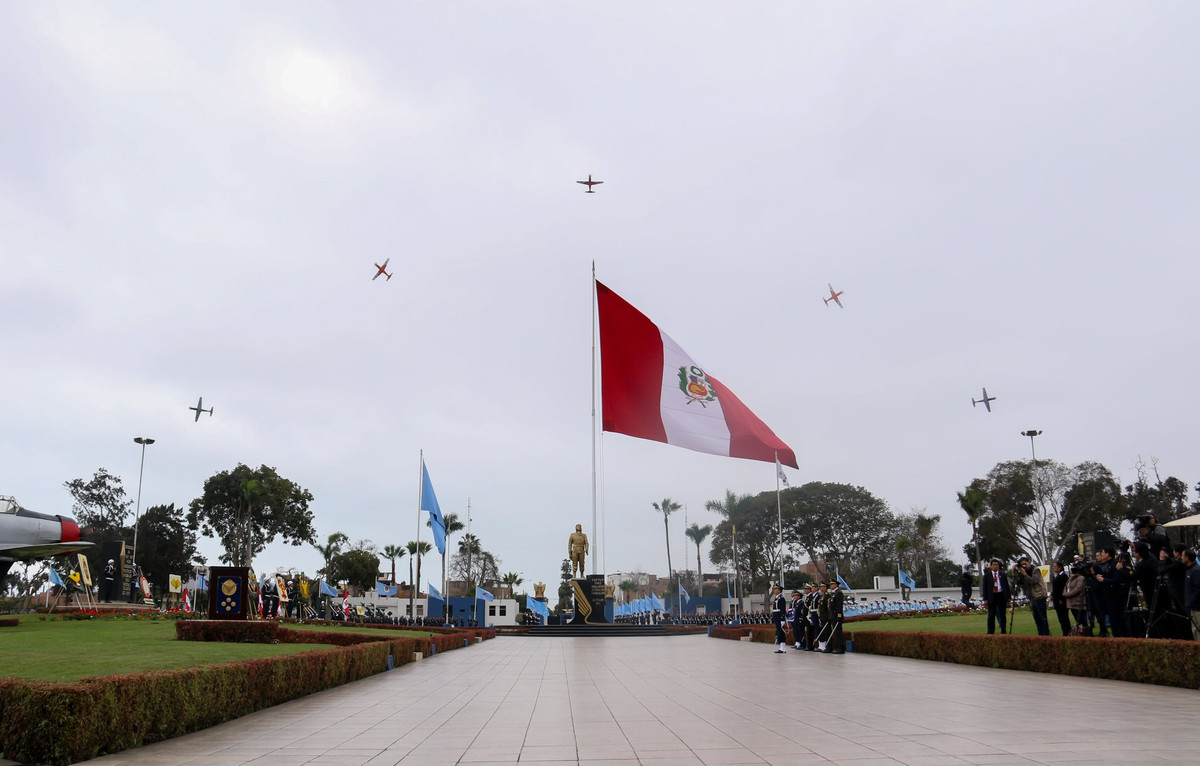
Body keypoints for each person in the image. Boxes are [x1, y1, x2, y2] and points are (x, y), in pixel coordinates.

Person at [1011, 557, 1050, 636]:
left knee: (1043, 619)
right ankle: (1040, 635)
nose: (1024, 566)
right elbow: (1018, 583)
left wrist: (1024, 574)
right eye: (1022, 565)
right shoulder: (1024, 573)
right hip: (1032, 599)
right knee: (1037, 620)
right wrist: (1014, 573)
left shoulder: (1035, 570)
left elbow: (1033, 581)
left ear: (1029, 562)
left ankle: (1046, 636)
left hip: (1039, 597)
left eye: (1025, 564)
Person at [982, 559, 1010, 634]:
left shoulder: (1002, 575)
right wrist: (985, 599)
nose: (995, 566)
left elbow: (1006, 586)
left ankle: (1003, 631)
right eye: (993, 565)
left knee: (1002, 614)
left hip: (1001, 595)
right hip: (992, 596)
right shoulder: (987, 576)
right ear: (991, 566)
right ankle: (990, 632)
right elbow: (985, 588)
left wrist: (1008, 597)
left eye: (996, 565)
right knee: (991, 615)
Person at [1050, 561, 1072, 636]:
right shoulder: (1057, 576)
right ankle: (1065, 631)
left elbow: (1063, 589)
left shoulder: (1063, 576)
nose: (1053, 568)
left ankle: (1067, 631)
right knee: (1061, 618)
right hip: (1056, 599)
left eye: (1055, 566)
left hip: (1061, 600)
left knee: (1064, 617)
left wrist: (1061, 599)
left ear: (1060, 567)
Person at [1183, 549, 1200, 642]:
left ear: (1187, 558)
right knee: (1195, 630)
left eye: (1183, 555)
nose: (1181, 557)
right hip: (1192, 607)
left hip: (1197, 607)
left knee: (1198, 629)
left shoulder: (1196, 571)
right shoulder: (1189, 570)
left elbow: (1198, 589)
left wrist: (1190, 602)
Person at [824, 580, 845, 653]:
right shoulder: (833, 593)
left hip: (837, 615)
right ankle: (837, 647)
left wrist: (839, 615)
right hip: (833, 615)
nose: (831, 586)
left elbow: (839, 605)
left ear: (836, 584)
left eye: (832, 584)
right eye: (830, 584)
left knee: (838, 632)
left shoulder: (838, 593)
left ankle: (841, 648)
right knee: (835, 632)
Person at [769, 584, 787, 653]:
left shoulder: (781, 598)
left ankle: (783, 648)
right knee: (779, 631)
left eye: (775, 589)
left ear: (779, 590)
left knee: (781, 632)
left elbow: (782, 609)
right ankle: (781, 647)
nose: (774, 591)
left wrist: (782, 619)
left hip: (779, 617)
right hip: (776, 616)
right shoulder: (777, 598)